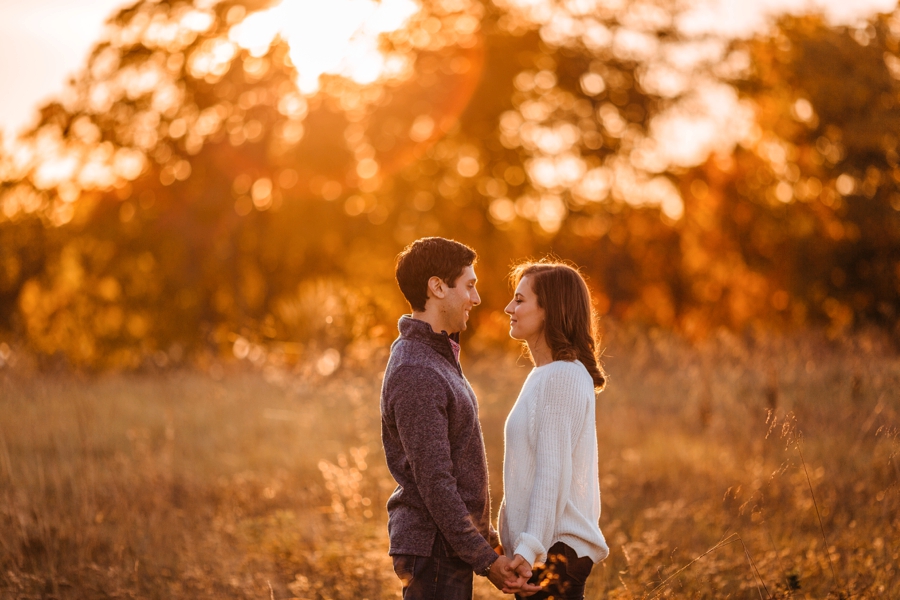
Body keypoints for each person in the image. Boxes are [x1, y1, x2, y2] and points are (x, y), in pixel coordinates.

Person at [380, 237, 541, 599]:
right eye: (469, 285)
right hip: (433, 548)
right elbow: (436, 482)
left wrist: (493, 547)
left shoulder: (436, 357)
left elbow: (455, 472)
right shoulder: (417, 369)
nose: (477, 299)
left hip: (444, 546)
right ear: (437, 287)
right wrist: (486, 560)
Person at [498, 260, 610, 599]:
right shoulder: (544, 375)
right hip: (542, 553)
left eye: (519, 300)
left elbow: (552, 473)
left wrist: (528, 550)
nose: (508, 308)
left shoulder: (562, 376)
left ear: (550, 310)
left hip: (554, 553)